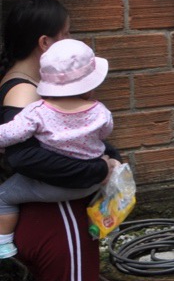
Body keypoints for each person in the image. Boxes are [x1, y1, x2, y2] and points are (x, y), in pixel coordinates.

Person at [0, 0, 146, 281]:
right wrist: (97, 172)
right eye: (66, 34)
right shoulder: (25, 92)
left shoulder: (28, 86)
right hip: (55, 219)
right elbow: (24, 158)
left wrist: (110, 159)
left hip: (48, 218)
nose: (72, 41)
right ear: (45, 43)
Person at [0, 40, 120, 258]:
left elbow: (10, 134)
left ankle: (4, 243)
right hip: (91, 184)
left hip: (51, 185)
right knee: (111, 173)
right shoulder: (101, 112)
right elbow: (104, 134)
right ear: (90, 85)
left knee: (4, 196)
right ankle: (105, 227)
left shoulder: (36, 112)